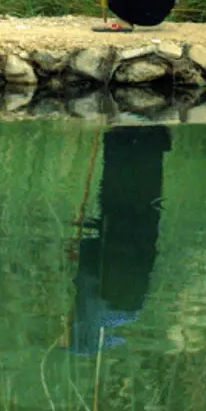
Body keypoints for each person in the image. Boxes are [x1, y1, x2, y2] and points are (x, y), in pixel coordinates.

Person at [69, 126, 171, 356]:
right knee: (122, 176)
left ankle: (146, 136)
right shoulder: (92, 310)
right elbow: (89, 269)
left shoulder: (131, 310)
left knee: (145, 184)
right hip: (118, 221)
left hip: (142, 227)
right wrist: (81, 247)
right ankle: (133, 132)